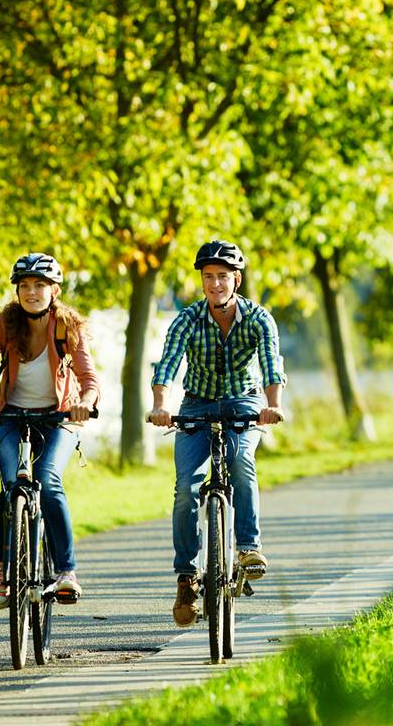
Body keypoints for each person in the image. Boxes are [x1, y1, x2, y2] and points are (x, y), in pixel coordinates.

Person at [147, 239, 286, 628]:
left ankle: (247, 549)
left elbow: (271, 364)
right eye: (208, 278)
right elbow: (168, 364)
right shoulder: (188, 319)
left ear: (236, 280)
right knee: (185, 488)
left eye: (222, 277)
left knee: (241, 461)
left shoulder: (259, 318)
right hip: (196, 404)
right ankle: (187, 578)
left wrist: (272, 405)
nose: (215, 284)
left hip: (244, 402)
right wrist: (161, 405)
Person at [0, 252, 100, 609]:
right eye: (25, 285)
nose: (32, 292)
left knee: (47, 479)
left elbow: (89, 378)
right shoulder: (5, 323)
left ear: (55, 290)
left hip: (59, 417)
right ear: (17, 291)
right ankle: (4, 566)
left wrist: (86, 401)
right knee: (11, 485)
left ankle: (66, 571)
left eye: (40, 285)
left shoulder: (68, 326)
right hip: (11, 417)